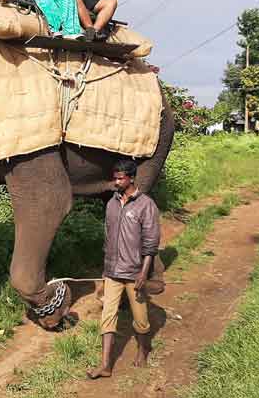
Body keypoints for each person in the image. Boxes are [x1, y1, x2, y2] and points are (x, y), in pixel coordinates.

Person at [89, 159, 160, 380]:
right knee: (107, 317)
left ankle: (142, 350)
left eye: (120, 178)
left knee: (140, 320)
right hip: (112, 272)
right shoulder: (111, 204)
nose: (116, 182)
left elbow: (150, 244)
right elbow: (108, 239)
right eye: (115, 177)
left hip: (134, 274)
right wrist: (104, 270)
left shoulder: (146, 205)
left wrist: (143, 273)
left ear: (131, 178)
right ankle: (105, 365)